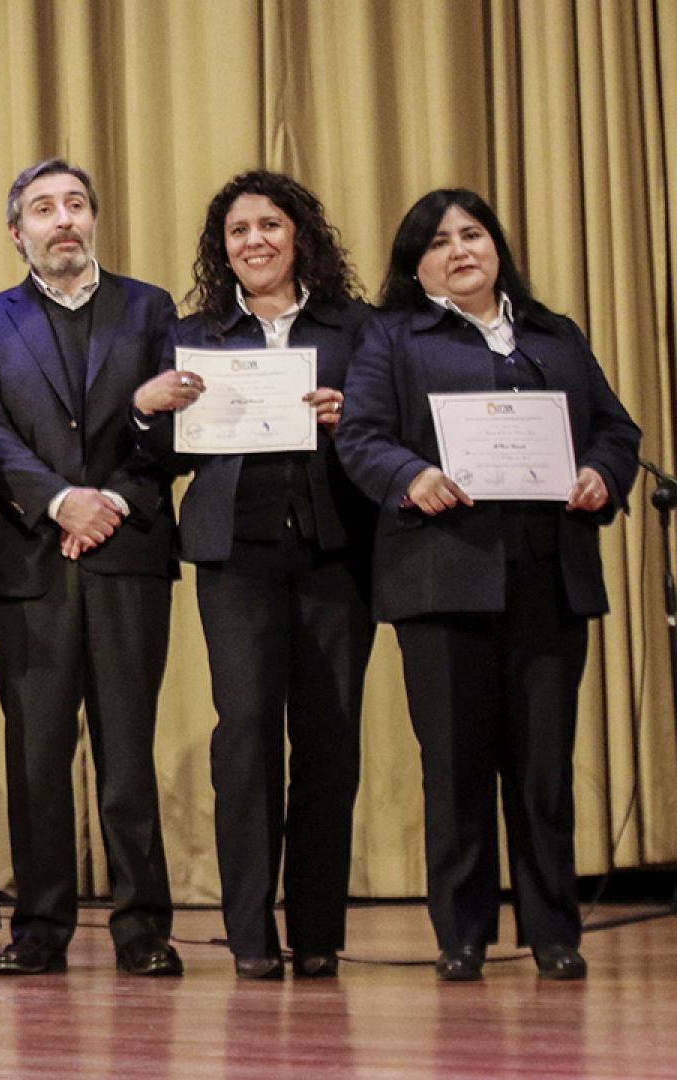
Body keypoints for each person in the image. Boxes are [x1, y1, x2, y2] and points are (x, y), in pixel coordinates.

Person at [337, 189, 639, 982]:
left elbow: (617, 429)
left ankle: (554, 932)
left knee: (543, 769)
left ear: (497, 247)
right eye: (438, 242)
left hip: (547, 577)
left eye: (472, 235)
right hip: (443, 579)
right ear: (416, 265)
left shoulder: (552, 334)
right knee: (457, 768)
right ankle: (462, 935)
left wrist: (601, 474)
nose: (459, 250)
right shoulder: (392, 337)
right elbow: (361, 437)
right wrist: (412, 475)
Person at [131, 170, 375, 978]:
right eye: (238, 230)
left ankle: (317, 933)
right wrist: (146, 409)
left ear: (299, 235)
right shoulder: (196, 334)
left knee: (330, 744)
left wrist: (355, 419)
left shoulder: (356, 328)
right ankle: (250, 937)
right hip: (236, 560)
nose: (255, 241)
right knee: (246, 740)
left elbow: (395, 434)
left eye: (269, 225)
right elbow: (160, 457)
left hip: (337, 554)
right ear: (222, 248)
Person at [0, 158, 181, 977]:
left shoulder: (150, 308)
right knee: (37, 754)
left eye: (76, 204)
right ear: (17, 233)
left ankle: (142, 927)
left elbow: (174, 428)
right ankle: (40, 926)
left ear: (93, 219)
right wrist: (59, 502)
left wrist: (109, 502)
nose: (64, 220)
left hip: (127, 554)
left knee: (128, 752)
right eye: (44, 209)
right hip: (28, 558)